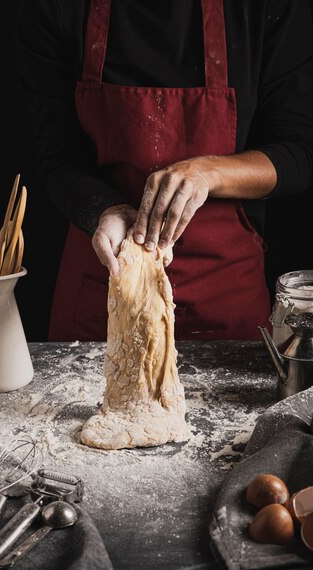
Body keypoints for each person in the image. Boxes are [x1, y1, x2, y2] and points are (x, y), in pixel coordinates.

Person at [16, 0, 313, 341]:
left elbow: (300, 150)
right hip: (106, 281)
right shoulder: (56, 9)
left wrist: (208, 173)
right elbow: (58, 155)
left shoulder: (266, 8)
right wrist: (104, 210)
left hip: (224, 290)